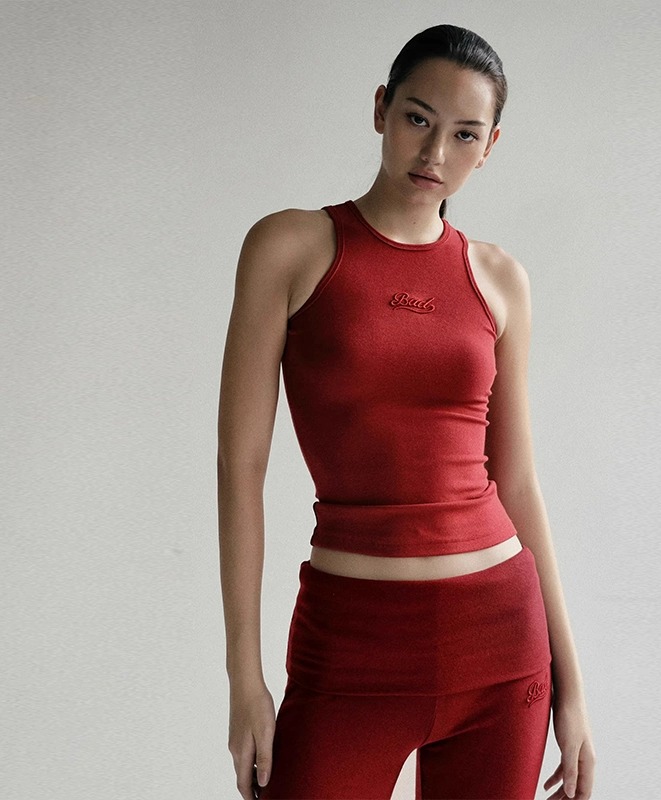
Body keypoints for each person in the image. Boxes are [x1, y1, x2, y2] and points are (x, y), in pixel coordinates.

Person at [217, 23, 595, 800]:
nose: (435, 153)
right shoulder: (291, 247)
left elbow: (518, 481)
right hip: (351, 642)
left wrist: (573, 682)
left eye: (464, 134)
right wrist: (243, 678)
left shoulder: (499, 279)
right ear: (381, 109)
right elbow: (240, 468)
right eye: (418, 118)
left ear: (489, 147)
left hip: (501, 645)